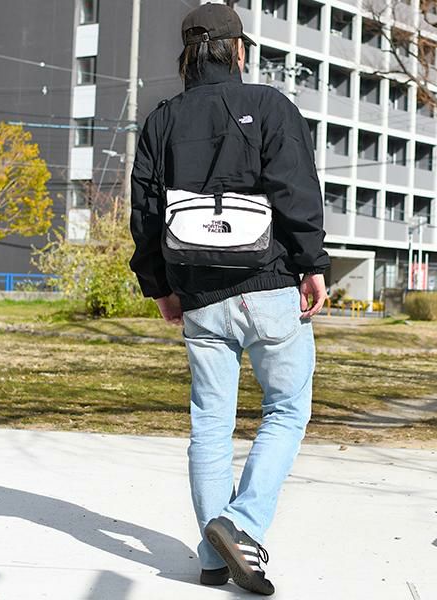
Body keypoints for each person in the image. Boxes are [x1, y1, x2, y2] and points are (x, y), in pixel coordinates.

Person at [130, 3, 329, 595]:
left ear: (187, 56)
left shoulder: (161, 120)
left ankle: (214, 558)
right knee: (287, 410)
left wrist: (160, 287)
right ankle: (241, 526)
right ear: (237, 50)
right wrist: (313, 264)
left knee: (211, 426)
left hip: (198, 295)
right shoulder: (268, 106)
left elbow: (146, 214)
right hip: (269, 285)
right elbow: (295, 191)